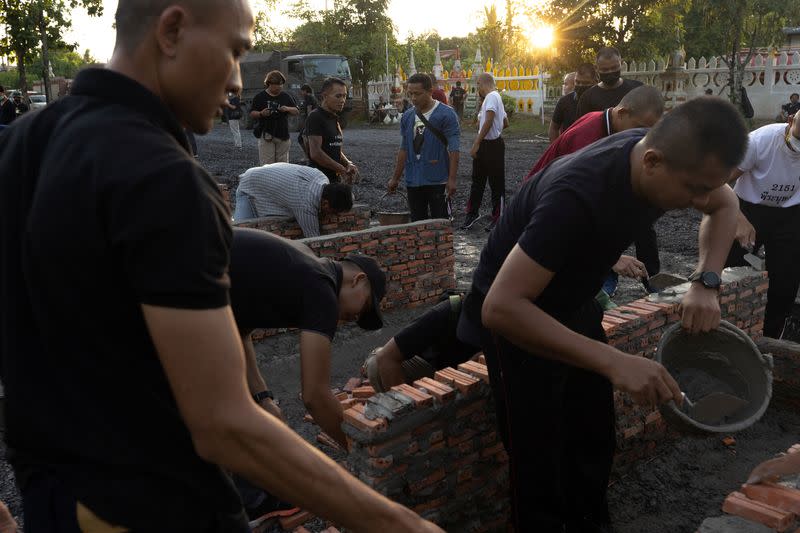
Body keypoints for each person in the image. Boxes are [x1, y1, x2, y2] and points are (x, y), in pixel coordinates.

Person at [0, 0, 443, 530]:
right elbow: (223, 424)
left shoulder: (20, 143)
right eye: (234, 51)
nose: (237, 80)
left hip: (55, 498)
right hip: (155, 504)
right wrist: (402, 523)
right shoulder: (162, 178)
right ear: (172, 30)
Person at [458, 96, 748, 532]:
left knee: (593, 434)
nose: (700, 201)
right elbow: (500, 307)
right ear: (652, 162)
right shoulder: (578, 195)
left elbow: (726, 206)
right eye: (694, 190)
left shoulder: (673, 165)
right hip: (518, 314)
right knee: (539, 456)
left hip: (575, 298)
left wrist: (706, 282)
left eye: (709, 186)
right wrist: (613, 361)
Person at [228, 227, 387, 515]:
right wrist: (357, 450)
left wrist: (263, 396)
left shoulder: (308, 266)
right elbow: (315, 395)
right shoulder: (321, 288)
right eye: (364, 308)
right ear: (358, 280)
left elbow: (239, 328)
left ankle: (255, 495)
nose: (355, 319)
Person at [528, 86, 665, 289]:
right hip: (539, 209)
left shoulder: (604, 122)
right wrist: (612, 259)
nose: (641, 137)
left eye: (647, 132)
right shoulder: (588, 139)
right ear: (622, 113)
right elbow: (570, 208)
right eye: (639, 127)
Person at [727, 115, 800, 338]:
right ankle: (725, 328)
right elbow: (717, 181)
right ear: (790, 121)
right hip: (749, 208)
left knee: (786, 281)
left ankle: (769, 337)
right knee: (729, 271)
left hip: (791, 213)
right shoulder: (760, 141)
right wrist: (737, 217)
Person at [362, 293, 481, 392]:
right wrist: (403, 405)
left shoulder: (495, 316)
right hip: (430, 367)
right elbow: (386, 357)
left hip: (457, 373)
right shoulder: (446, 312)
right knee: (376, 364)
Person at [387, 72, 460, 221]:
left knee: (441, 224)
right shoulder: (407, 116)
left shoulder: (447, 114)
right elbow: (403, 149)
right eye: (410, 94)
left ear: (430, 91)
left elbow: (454, 149)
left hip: (438, 180)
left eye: (418, 94)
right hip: (413, 179)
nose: (413, 98)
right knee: (417, 226)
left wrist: (452, 179)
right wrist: (395, 178)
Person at [233, 163, 352, 237]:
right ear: (325, 203)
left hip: (263, 177)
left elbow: (346, 195)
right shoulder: (305, 204)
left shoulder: (322, 177)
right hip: (249, 187)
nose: (334, 215)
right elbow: (314, 239)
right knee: (239, 234)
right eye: (334, 212)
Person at [462, 72, 508, 231]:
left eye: (478, 86)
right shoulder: (494, 98)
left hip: (491, 144)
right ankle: (472, 213)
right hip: (491, 142)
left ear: (482, 83)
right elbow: (505, 122)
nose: (478, 89)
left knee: (496, 183)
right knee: (478, 181)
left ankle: (498, 217)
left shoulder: (492, 96)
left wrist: (477, 142)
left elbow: (489, 119)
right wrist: (492, 127)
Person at [306, 77, 358, 183]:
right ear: (325, 96)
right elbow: (315, 153)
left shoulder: (333, 117)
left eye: (344, 96)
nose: (343, 100)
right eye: (338, 96)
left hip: (334, 178)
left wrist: (348, 163)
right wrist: (341, 169)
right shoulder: (315, 117)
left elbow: (334, 148)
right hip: (319, 180)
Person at [576, 46, 643, 118]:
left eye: (614, 68)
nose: (610, 72)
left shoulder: (637, 90)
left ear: (621, 63)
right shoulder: (587, 98)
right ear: (596, 68)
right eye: (605, 70)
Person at [250, 70, 298, 164]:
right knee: (267, 165)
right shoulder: (260, 97)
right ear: (269, 84)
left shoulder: (286, 96)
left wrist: (287, 108)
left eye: (281, 84)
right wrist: (261, 114)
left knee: (283, 166)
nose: (280, 87)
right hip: (267, 134)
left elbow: (296, 111)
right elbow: (252, 113)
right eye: (277, 84)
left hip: (283, 135)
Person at [549, 63, 597, 142]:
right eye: (577, 82)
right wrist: (556, 149)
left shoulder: (600, 99)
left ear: (595, 82)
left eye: (585, 83)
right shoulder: (564, 102)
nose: (581, 86)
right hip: (569, 151)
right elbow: (553, 128)